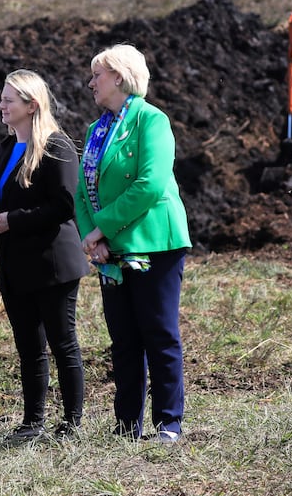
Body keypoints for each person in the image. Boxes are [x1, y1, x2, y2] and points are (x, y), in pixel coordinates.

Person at [75, 44, 191, 444]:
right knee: (123, 339)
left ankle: (168, 423)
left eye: (97, 75)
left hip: (155, 243)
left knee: (158, 334)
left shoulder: (151, 121)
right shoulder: (95, 130)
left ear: (120, 78)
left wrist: (102, 229)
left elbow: (150, 184)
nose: (91, 82)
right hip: (111, 250)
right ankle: (126, 425)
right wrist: (95, 238)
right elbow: (81, 193)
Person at [0, 69, 90, 443]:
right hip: (14, 263)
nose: (1, 106)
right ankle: (33, 423)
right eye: (2, 98)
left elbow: (63, 205)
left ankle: (72, 423)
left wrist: (13, 220)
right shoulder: (5, 147)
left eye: (8, 100)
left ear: (32, 105)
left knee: (62, 342)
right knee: (28, 346)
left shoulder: (57, 146)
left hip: (52, 264)